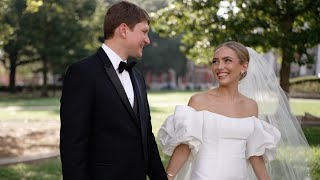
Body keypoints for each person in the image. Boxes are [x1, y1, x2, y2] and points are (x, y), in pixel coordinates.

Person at [158, 41, 311, 180]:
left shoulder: (251, 106)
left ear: (244, 67)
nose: (219, 67)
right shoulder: (199, 101)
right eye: (215, 61)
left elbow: (255, 153)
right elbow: (184, 147)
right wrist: (167, 178)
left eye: (227, 60)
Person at [60, 1, 167, 179]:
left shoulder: (138, 77)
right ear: (124, 30)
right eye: (144, 32)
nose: (147, 40)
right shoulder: (82, 72)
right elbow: (73, 145)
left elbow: (146, 136)